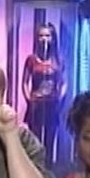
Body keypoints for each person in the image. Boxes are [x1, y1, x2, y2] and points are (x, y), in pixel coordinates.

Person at [22, 22, 66, 166]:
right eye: (41, 36)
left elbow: (64, 82)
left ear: (53, 38)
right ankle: (34, 167)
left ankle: (48, 168)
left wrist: (60, 98)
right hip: (36, 105)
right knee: (34, 139)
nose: (44, 39)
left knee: (49, 139)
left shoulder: (58, 60)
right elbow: (24, 82)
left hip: (52, 105)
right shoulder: (31, 59)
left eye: (47, 35)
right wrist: (29, 99)